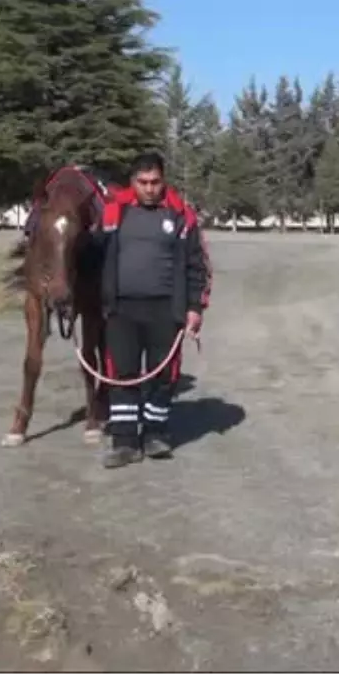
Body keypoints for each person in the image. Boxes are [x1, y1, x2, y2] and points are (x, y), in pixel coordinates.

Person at [93, 152, 212, 468]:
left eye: (155, 182)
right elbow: (89, 259)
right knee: (122, 375)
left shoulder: (181, 217)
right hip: (121, 310)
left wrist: (195, 308)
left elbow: (197, 265)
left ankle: (155, 433)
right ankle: (124, 441)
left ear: (163, 181)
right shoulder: (112, 214)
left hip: (165, 310)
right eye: (142, 182)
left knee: (163, 375)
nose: (149, 188)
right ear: (132, 182)